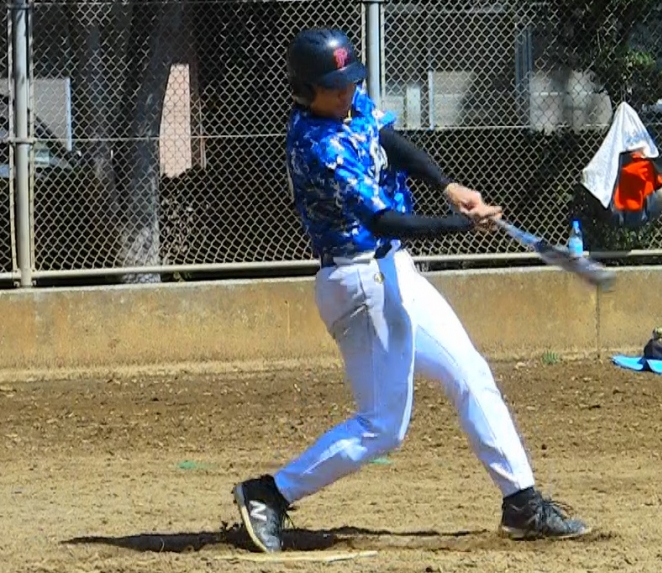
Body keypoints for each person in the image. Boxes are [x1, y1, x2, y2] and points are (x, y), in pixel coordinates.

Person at [232, 28, 591, 553]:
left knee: (469, 372)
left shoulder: (349, 107)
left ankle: (521, 501)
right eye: (334, 86)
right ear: (306, 90)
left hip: (393, 270)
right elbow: (384, 220)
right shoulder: (317, 146)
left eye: (350, 82)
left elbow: (388, 142)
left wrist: (448, 186)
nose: (347, 92)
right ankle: (270, 493)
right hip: (359, 283)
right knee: (383, 426)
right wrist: (461, 225)